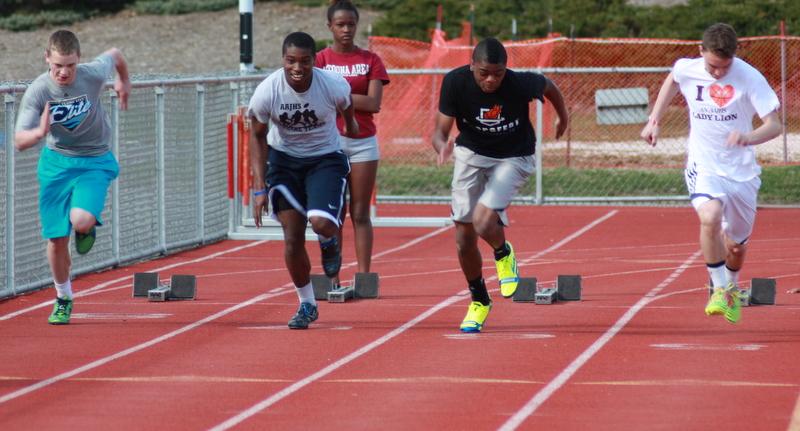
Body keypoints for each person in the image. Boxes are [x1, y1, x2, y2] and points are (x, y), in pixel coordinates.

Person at [641, 23, 781, 324]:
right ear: (701, 50)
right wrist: (655, 120)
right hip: (704, 164)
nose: (718, 73)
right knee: (710, 216)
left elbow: (774, 124)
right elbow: (673, 79)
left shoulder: (749, 77)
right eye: (713, 67)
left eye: (725, 67)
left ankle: (729, 283)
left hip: (741, 172)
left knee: (735, 246)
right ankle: (719, 289)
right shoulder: (688, 68)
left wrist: (748, 137)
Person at [432, 37, 569, 333]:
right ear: (472, 67)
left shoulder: (520, 83)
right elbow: (440, 131)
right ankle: (479, 300)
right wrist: (442, 145)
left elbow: (548, 86)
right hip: (471, 153)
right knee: (463, 237)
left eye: (498, 73)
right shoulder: (455, 82)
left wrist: (563, 117)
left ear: (506, 70)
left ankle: (502, 251)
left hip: (514, 156)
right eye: (484, 73)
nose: (491, 79)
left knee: (483, 221)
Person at [14, 30, 130, 325]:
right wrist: (39, 133)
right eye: (58, 66)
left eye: (70, 65)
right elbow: (19, 140)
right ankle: (63, 297)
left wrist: (123, 80)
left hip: (94, 160)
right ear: (46, 59)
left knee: (80, 220)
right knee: (55, 240)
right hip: (56, 164)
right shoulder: (39, 91)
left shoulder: (91, 74)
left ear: (79, 60)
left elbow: (115, 53)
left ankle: (85, 226)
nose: (64, 72)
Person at [248, 32, 359, 330]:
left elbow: (346, 103)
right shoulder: (267, 91)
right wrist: (259, 188)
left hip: (325, 158)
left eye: (304, 61)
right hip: (284, 162)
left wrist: (350, 123)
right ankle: (307, 303)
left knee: (321, 221)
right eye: (290, 61)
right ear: (283, 60)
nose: (297, 67)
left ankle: (329, 240)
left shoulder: (331, 84)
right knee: (292, 236)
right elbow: (257, 137)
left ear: (314, 61)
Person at [316, 0, 390, 277]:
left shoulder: (370, 60)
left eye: (351, 24)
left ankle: (364, 274)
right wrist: (346, 99)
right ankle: (332, 276)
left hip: (363, 142)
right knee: (333, 214)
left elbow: (373, 103)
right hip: (329, 142)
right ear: (330, 27)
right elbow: (317, 98)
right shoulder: (321, 60)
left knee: (360, 213)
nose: (346, 30)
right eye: (340, 25)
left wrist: (339, 97)